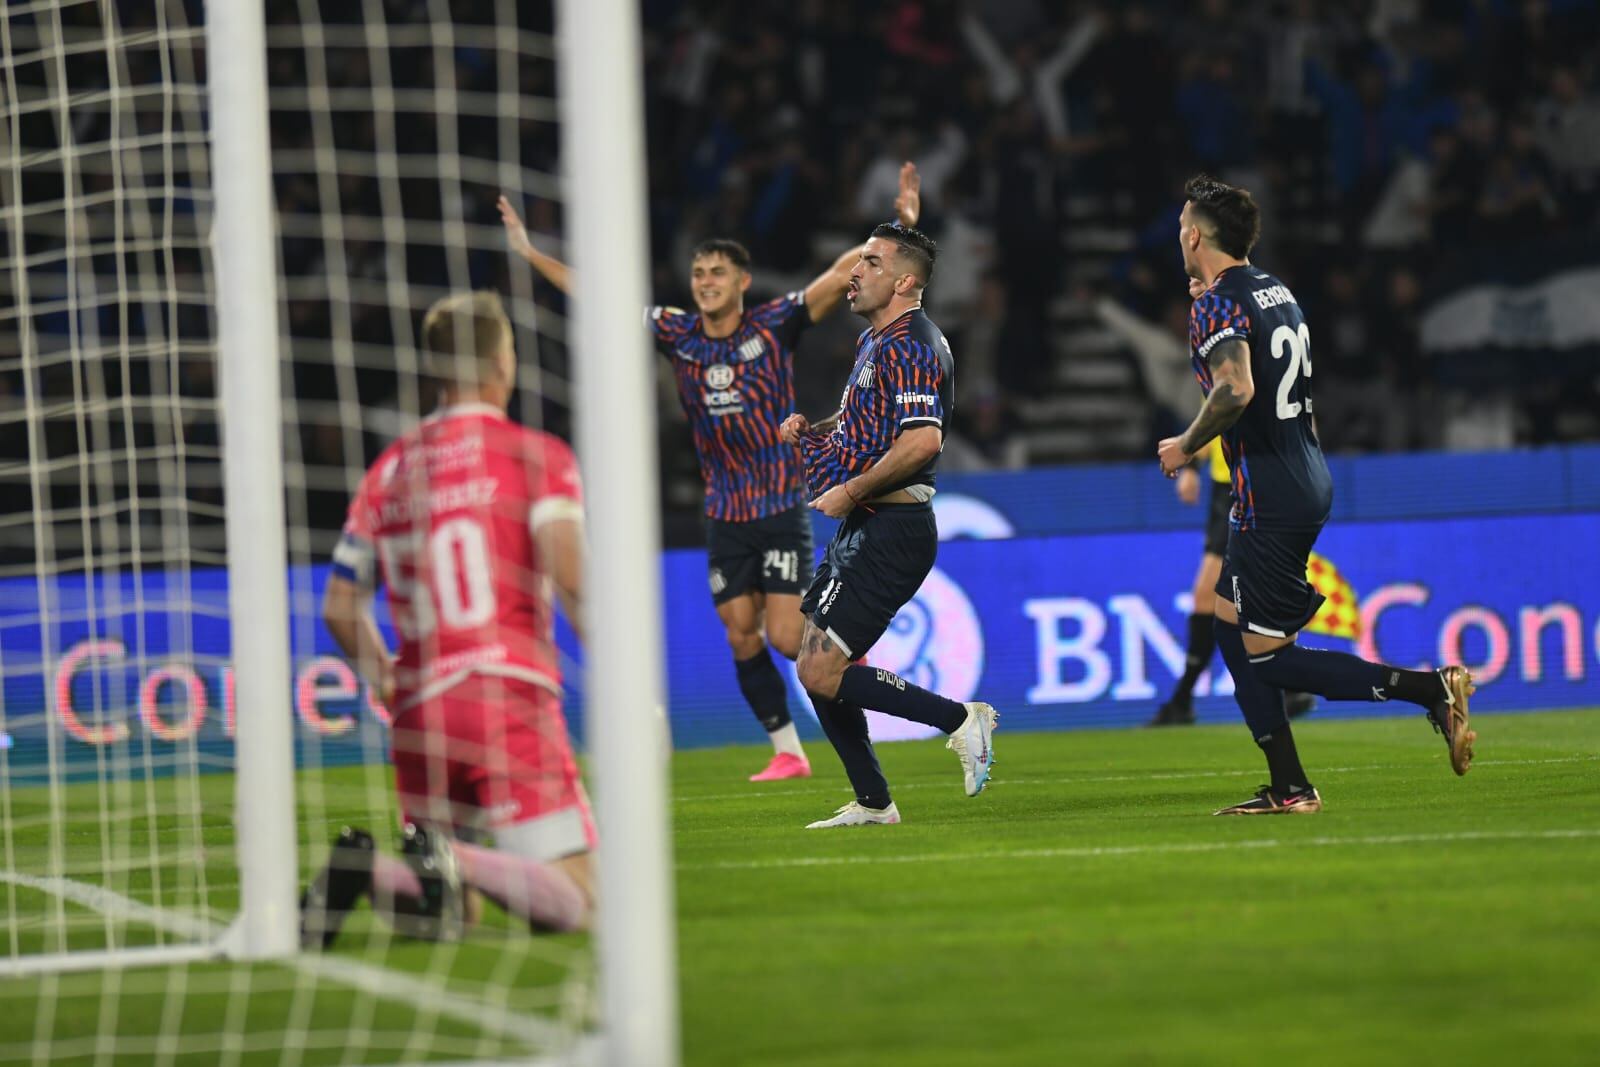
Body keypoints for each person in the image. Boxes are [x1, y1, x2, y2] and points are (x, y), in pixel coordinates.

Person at [498, 166, 921, 782]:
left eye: (717, 273)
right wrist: (531, 252)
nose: (705, 282)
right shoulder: (678, 333)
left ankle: (851, 668)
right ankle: (787, 752)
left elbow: (838, 275)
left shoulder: (774, 323)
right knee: (739, 634)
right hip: (724, 511)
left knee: (783, 638)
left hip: (778, 503)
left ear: (742, 282)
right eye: (698, 274)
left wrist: (898, 228)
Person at [1157, 175, 1476, 815]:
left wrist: (1187, 443)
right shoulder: (1273, 290)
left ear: (1195, 236)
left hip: (1271, 490)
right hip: (1300, 473)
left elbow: (1239, 388)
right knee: (1228, 624)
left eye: (1183, 225)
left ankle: (1428, 689)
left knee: (1270, 658)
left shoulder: (1216, 304)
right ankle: (1287, 783)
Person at [303, 291, 592, 945]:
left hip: (421, 712)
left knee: (454, 913)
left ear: (437, 369)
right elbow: (571, 577)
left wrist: (388, 684)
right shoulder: (534, 453)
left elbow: (339, 605)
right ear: (501, 362)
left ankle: (369, 866)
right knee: (578, 901)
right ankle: (454, 857)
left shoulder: (389, 470)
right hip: (505, 691)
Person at [778, 223, 996, 829]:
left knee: (823, 670)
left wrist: (848, 489)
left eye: (870, 263)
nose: (854, 271)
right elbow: (860, 423)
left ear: (904, 281)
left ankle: (961, 719)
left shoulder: (913, 343)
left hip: (892, 527)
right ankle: (874, 802)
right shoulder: (877, 342)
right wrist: (816, 431)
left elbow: (923, 439)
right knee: (816, 668)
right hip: (868, 522)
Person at [1150, 437, 1316, 726]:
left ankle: (1185, 699)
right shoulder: (1219, 394)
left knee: (1221, 593)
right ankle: (1287, 686)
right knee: (1217, 596)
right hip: (1226, 487)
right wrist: (1192, 466)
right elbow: (1214, 422)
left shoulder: (1250, 392)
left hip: (1253, 484)